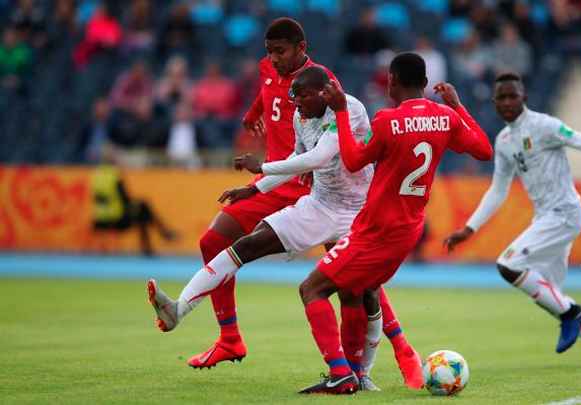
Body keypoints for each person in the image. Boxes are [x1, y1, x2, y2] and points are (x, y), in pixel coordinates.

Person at [158, 19, 422, 388]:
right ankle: (179, 309)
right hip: (319, 204)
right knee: (244, 245)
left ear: (321, 89)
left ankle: (365, 372)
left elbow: (318, 157)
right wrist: (255, 188)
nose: (293, 103)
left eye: (300, 97)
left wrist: (261, 166)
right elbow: (298, 153)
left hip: (358, 214)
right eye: (292, 97)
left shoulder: (347, 106)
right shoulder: (300, 110)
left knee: (361, 292)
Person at [295, 53, 493, 394]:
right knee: (354, 292)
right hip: (409, 229)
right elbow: (484, 151)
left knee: (311, 289)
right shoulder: (444, 116)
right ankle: (355, 373)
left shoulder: (387, 120)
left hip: (377, 231)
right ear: (426, 83)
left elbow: (355, 161)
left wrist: (341, 112)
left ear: (392, 81)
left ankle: (341, 372)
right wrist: (459, 107)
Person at [444, 72, 581, 367]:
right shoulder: (503, 141)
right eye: (502, 97)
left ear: (524, 97)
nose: (507, 101)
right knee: (550, 294)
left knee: (509, 265)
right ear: (495, 102)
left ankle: (572, 314)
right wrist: (469, 228)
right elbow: (498, 190)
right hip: (546, 218)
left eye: (513, 95)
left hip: (564, 213)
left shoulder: (544, 126)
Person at [92, 164, 177, 256]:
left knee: (142, 212)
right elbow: (125, 200)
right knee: (143, 209)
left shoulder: (96, 176)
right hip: (116, 219)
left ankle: (160, 236)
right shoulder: (115, 176)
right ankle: (161, 235)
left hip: (100, 219)